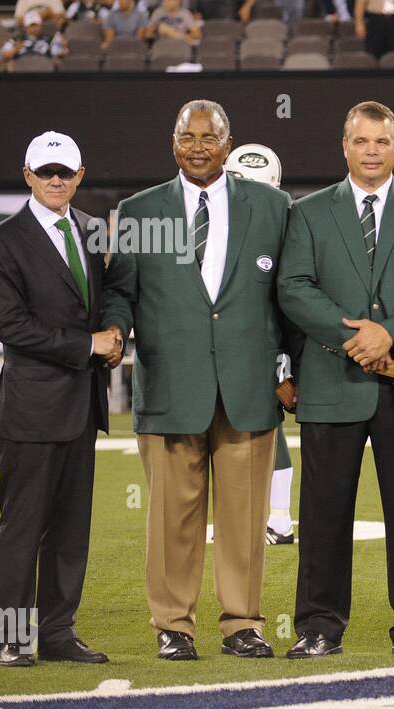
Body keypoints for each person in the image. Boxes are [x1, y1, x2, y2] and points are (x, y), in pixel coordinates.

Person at [102, 100, 295, 661]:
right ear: (173, 142)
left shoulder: (272, 206)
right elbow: (121, 291)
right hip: (170, 387)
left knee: (244, 518)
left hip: (249, 387)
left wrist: (295, 369)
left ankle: (242, 624)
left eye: (210, 137)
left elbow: (291, 295)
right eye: (188, 136)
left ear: (229, 144)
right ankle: (173, 626)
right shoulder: (139, 211)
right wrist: (114, 328)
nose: (198, 146)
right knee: (171, 519)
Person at [278, 101, 394, 659]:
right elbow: (294, 287)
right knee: (325, 512)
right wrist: (355, 340)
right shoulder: (307, 213)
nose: (372, 151)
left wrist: (391, 335)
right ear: (345, 146)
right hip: (331, 382)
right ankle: (318, 626)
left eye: (381, 141)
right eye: (361, 141)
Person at [0, 131, 118, 668]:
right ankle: (14, 639)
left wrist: (115, 333)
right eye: (46, 171)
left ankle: (58, 634)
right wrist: (89, 345)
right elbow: (12, 327)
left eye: (66, 171)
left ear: (80, 175)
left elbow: (106, 304)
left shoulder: (91, 230)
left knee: (69, 530)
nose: (56, 179)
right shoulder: (1, 242)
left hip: (81, 408)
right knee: (22, 530)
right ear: (28, 175)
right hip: (31, 411)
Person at [222, 142, 299, 546]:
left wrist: (289, 352)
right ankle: (274, 520)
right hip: (240, 344)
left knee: (267, 427)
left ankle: (281, 519)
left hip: (265, 345)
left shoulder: (284, 225)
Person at [0, 11, 67, 67]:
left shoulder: (50, 39)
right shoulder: (15, 40)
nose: (34, 28)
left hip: (43, 68)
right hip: (22, 69)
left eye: (36, 25)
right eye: (31, 25)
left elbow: (59, 53)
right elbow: (3, 56)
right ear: (25, 27)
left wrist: (63, 47)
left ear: (40, 25)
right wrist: (15, 50)